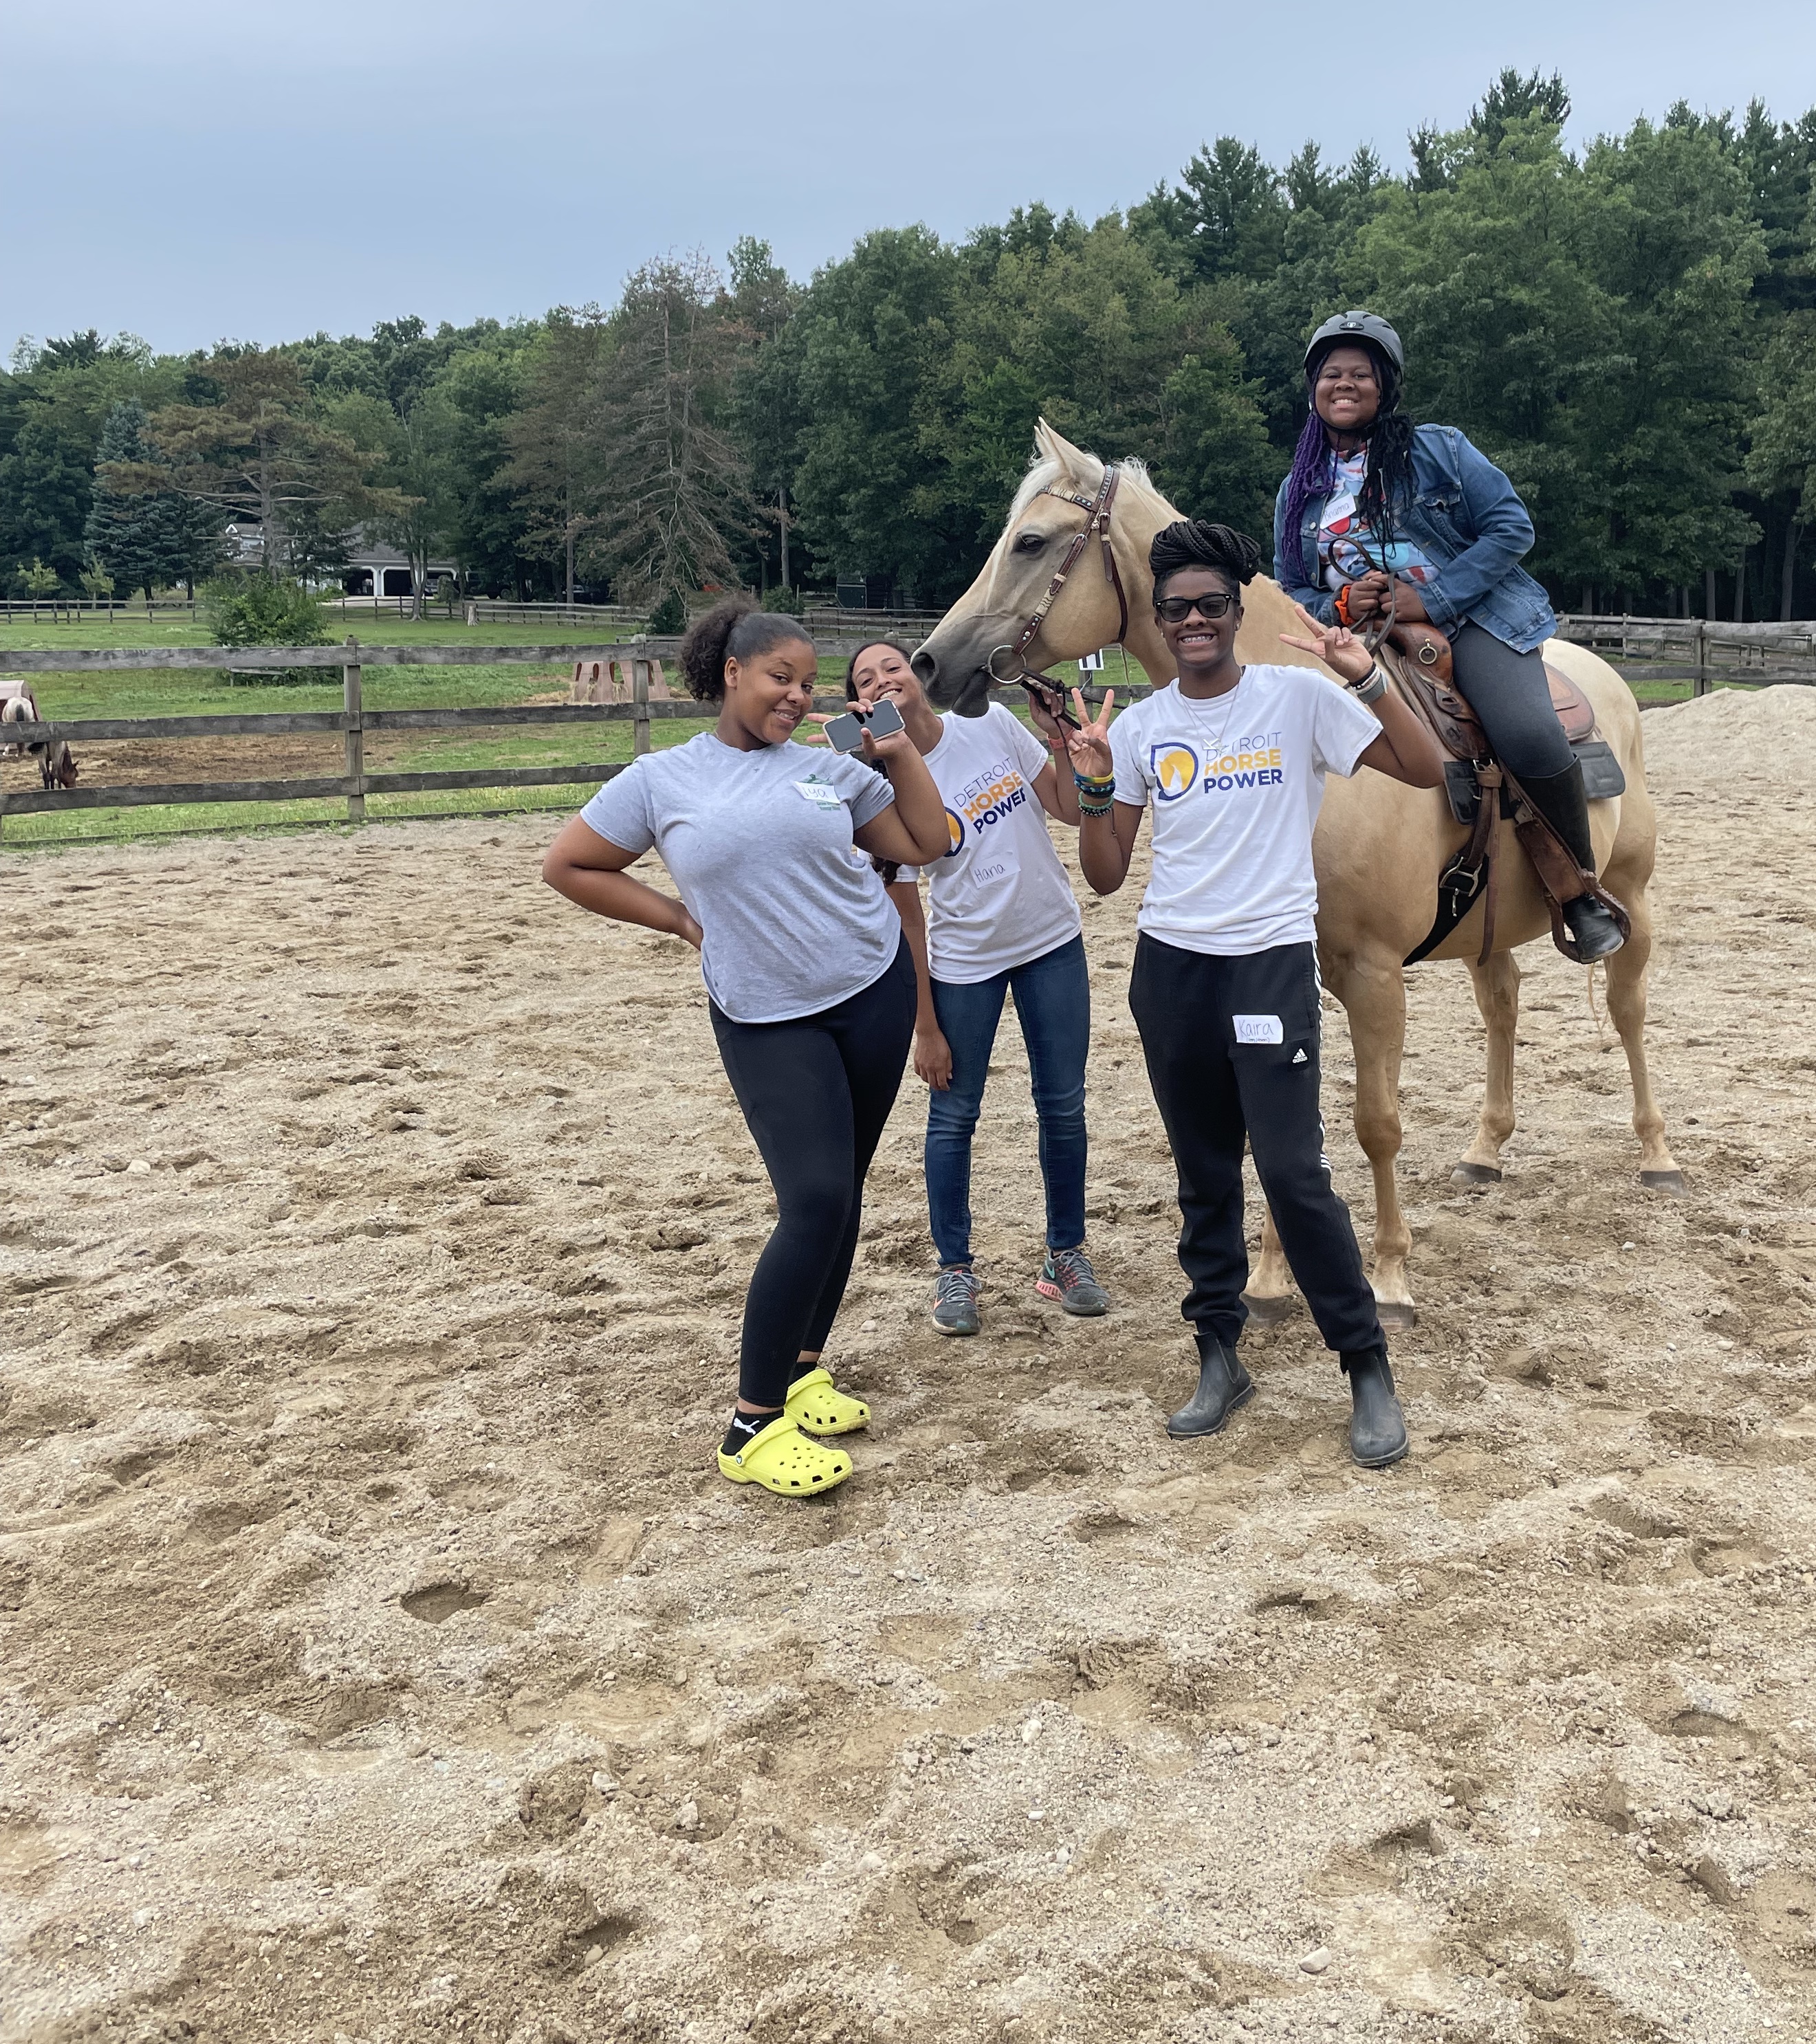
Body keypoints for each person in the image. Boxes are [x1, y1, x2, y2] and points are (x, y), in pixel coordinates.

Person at [541, 597, 948, 1501]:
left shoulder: (830, 768)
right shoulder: (661, 779)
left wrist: (900, 753)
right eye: (780, 679)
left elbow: (929, 843)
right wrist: (681, 920)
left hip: (871, 990)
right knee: (812, 1200)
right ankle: (752, 1422)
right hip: (766, 1015)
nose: (798, 698)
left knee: (842, 1197)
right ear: (731, 673)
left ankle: (804, 1370)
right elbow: (571, 865)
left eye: (807, 684)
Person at [1063, 518, 1447, 1466]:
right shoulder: (1146, 724)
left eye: (1211, 606)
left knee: (1292, 1173)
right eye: (1176, 609)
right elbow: (1107, 875)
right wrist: (1099, 783)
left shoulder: (1293, 700)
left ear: (1237, 613)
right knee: (1202, 1178)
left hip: (1268, 961)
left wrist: (1362, 676)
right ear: (1156, 621)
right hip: (1172, 972)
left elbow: (1427, 768)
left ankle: (1365, 1365)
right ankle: (1218, 1357)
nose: (1193, 620)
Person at [1272, 309, 1626, 961]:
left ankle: (1578, 889)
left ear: (1386, 386)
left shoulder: (1441, 449)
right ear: (1313, 388)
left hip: (1474, 620)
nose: (1343, 385)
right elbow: (1291, 587)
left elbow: (1511, 527)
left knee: (1526, 731)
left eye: (1360, 373)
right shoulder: (1299, 489)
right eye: (1330, 375)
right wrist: (1342, 599)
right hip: (1356, 636)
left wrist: (1428, 597)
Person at [844, 637, 1106, 1337]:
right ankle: (955, 1269)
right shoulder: (880, 784)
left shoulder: (986, 723)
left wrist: (1058, 743)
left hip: (1051, 939)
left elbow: (1067, 809)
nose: (883, 680)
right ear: (859, 705)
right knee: (954, 1118)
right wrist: (924, 1023)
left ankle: (1065, 1254)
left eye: (892, 666)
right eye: (866, 681)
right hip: (965, 963)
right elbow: (907, 916)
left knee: (1064, 1106)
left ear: (919, 674)